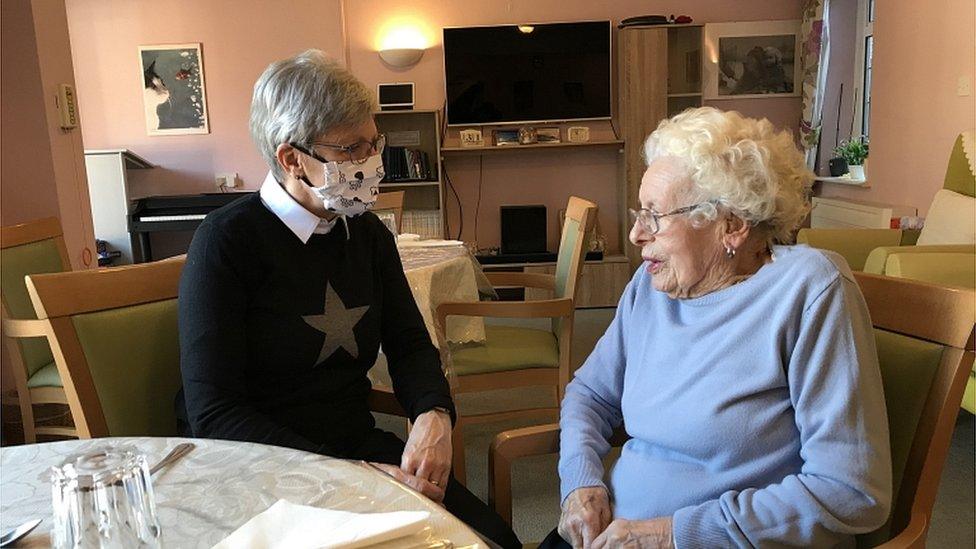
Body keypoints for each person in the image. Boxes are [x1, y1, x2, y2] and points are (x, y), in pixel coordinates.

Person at [175, 49, 519, 548]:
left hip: (352, 446)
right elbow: (214, 411)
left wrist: (433, 414)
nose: (370, 162)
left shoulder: (365, 232)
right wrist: (347, 475)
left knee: (491, 542)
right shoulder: (228, 241)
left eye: (372, 144)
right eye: (350, 150)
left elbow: (408, 343)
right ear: (291, 158)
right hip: (258, 468)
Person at [546, 107, 891, 548]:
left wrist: (672, 535)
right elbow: (590, 395)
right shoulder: (649, 289)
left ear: (730, 225)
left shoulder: (808, 290)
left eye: (654, 216)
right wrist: (580, 481)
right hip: (615, 535)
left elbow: (852, 490)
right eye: (638, 212)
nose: (635, 234)